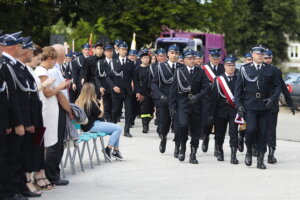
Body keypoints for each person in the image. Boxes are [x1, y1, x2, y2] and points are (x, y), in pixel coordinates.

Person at [234, 45, 281, 169]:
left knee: (263, 133)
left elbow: (277, 86)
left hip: (265, 105)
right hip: (250, 104)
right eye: (257, 53)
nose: (260, 55)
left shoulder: (271, 69)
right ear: (252, 54)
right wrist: (238, 104)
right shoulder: (244, 69)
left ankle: (260, 159)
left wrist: (273, 98)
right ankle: (249, 151)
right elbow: (238, 90)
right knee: (251, 130)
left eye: (262, 53)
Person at [0, 31, 30, 200]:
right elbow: (10, 97)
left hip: (9, 121)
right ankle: (8, 192)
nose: (23, 49)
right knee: (8, 159)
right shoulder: (6, 65)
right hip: (7, 121)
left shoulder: (8, 65)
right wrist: (16, 122)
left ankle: (13, 190)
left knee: (13, 158)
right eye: (19, 45)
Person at [35, 46, 71, 185]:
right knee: (50, 144)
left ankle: (49, 174)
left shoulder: (47, 70)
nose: (55, 62)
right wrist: (61, 87)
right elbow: (48, 93)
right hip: (47, 112)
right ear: (49, 58)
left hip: (52, 111)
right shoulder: (42, 71)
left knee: (53, 143)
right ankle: (50, 175)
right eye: (54, 59)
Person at [169, 49, 210, 163]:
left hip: (197, 104)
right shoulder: (179, 71)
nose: (192, 61)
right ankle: (182, 147)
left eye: (193, 59)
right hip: (183, 103)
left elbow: (207, 87)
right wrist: (171, 106)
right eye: (189, 59)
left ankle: (193, 153)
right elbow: (173, 90)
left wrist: (198, 96)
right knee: (182, 125)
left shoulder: (200, 71)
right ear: (184, 60)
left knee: (196, 130)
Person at [151, 44, 185, 155]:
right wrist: (160, 96)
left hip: (178, 101)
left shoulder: (182, 67)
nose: (174, 55)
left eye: (176, 53)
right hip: (164, 99)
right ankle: (163, 138)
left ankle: (177, 146)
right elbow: (154, 84)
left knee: (178, 125)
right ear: (167, 55)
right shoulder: (160, 67)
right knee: (164, 124)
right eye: (172, 53)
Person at [76, 83, 124, 160]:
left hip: (86, 126)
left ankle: (116, 151)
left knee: (116, 129)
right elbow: (100, 114)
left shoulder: (79, 101)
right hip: (92, 125)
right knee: (118, 128)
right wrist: (101, 104)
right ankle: (108, 149)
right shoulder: (90, 103)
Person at [263, 49, 295, 164]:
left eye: (269, 58)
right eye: (265, 58)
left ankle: (271, 154)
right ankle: (256, 149)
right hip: (259, 105)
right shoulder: (256, 69)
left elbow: (283, 88)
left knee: (271, 131)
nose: (268, 60)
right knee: (258, 130)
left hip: (272, 106)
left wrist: (290, 103)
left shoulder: (276, 71)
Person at [210, 55, 239, 164]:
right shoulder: (218, 79)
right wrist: (211, 114)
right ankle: (220, 150)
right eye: (228, 65)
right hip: (220, 110)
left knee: (234, 133)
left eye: (233, 65)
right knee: (219, 133)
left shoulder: (238, 78)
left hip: (234, 110)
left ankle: (233, 155)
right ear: (224, 66)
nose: (231, 67)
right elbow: (213, 98)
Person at [106, 41, 136, 137]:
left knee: (128, 111)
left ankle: (126, 130)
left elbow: (134, 78)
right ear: (118, 50)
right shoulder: (113, 62)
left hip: (127, 91)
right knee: (115, 110)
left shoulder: (130, 63)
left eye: (126, 49)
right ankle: (113, 127)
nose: (124, 51)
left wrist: (136, 91)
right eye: (122, 49)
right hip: (117, 90)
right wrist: (113, 86)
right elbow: (108, 77)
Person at [201, 48, 224, 154]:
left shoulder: (223, 68)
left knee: (219, 124)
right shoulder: (204, 69)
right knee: (207, 123)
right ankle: (206, 137)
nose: (216, 60)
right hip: (207, 100)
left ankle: (217, 146)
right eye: (214, 58)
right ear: (209, 57)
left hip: (219, 101)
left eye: (218, 58)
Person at [134, 51, 154, 133]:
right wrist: (138, 92)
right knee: (144, 109)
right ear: (141, 59)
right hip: (142, 92)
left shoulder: (151, 68)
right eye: (144, 58)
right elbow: (136, 82)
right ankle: (145, 126)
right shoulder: (137, 69)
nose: (146, 59)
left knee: (151, 110)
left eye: (147, 58)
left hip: (151, 91)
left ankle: (147, 121)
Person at [238, 52, 254, 153]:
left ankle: (253, 146)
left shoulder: (254, 70)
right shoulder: (241, 70)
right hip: (243, 102)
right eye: (248, 60)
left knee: (252, 126)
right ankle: (241, 137)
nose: (250, 61)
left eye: (251, 59)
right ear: (244, 61)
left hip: (252, 102)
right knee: (244, 126)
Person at [95, 44, 114, 122]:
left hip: (114, 87)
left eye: (110, 51)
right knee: (106, 105)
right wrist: (99, 87)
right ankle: (108, 120)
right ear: (104, 52)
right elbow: (96, 76)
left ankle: (112, 119)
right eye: (107, 51)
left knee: (114, 106)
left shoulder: (115, 61)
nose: (109, 53)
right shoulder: (100, 62)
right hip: (104, 87)